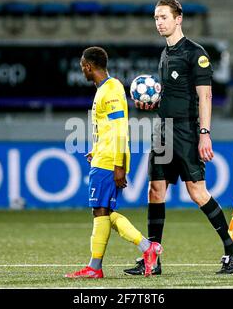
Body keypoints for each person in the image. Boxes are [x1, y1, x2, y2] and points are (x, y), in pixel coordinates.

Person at [124, 0, 233, 276]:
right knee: (155, 190)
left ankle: (232, 249)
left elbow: (206, 96)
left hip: (187, 131)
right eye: (156, 18)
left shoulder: (195, 53)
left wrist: (204, 134)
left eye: (164, 17)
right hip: (163, 129)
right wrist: (154, 104)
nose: (159, 22)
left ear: (178, 19)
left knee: (197, 192)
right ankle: (153, 259)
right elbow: (173, 95)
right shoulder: (165, 54)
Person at [65, 46, 162, 279]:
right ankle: (145, 249)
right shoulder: (107, 88)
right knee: (104, 212)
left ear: (88, 66)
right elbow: (108, 129)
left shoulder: (109, 90)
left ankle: (98, 266)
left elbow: (120, 130)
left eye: (82, 67)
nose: (82, 71)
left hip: (110, 161)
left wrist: (118, 164)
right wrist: (96, 149)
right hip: (105, 155)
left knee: (100, 211)